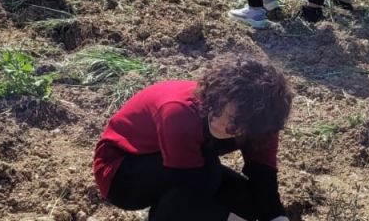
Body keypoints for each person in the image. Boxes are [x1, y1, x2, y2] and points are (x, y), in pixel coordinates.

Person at [94, 53, 294, 221]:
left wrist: (277, 217)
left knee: (247, 202)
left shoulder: (263, 126)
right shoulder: (179, 112)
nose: (218, 123)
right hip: (121, 172)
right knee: (208, 175)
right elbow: (188, 188)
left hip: (187, 166)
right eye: (217, 109)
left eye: (234, 123)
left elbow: (263, 177)